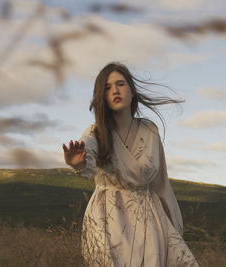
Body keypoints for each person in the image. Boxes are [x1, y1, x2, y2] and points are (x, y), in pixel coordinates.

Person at [62, 62, 199, 266]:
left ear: (132, 91)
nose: (115, 90)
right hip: (109, 219)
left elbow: (161, 181)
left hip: (150, 219)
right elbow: (87, 157)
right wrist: (79, 163)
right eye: (107, 87)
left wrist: (171, 223)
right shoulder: (95, 133)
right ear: (102, 96)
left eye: (120, 84)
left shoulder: (150, 130)